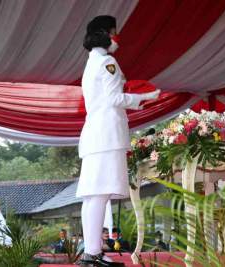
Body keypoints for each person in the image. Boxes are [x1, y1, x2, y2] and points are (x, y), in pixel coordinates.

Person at [76, 15, 160, 267]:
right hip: (106, 136)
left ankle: (92, 252)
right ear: (104, 34)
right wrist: (143, 97)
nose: (117, 38)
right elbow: (115, 99)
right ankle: (92, 254)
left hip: (96, 135)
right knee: (98, 194)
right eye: (114, 32)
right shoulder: (107, 62)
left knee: (94, 195)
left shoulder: (93, 63)